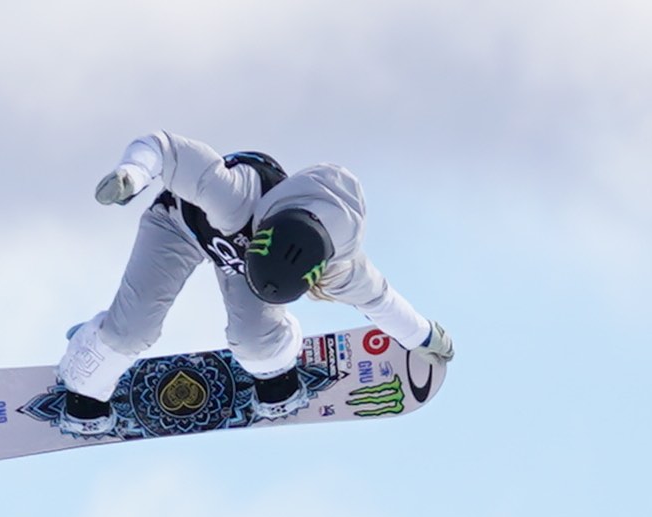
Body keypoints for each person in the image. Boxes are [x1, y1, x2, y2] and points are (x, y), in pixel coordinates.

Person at [39, 132, 453, 436]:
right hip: (177, 226)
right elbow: (164, 149)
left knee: (257, 342)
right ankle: (85, 381)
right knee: (131, 332)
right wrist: (132, 174)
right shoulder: (232, 195)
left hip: (242, 269)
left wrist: (425, 336)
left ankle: (276, 372)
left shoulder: (340, 270)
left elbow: (382, 302)